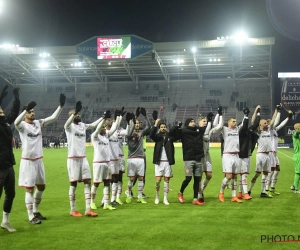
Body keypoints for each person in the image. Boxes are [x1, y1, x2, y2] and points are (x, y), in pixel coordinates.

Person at [15, 93, 66, 224]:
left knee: (41, 187)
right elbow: (15, 122)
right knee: (29, 189)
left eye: (33, 111)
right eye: (30, 112)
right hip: (28, 161)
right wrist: (25, 110)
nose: (32, 113)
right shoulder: (22, 126)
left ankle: (36, 211)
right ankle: (31, 216)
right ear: (25, 114)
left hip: (39, 160)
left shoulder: (38, 123)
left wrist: (61, 106)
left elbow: (53, 118)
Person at [64, 101, 105, 217]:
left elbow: (92, 125)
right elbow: (66, 124)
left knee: (87, 182)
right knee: (73, 184)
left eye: (78, 113)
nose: (78, 115)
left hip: (83, 158)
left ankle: (88, 209)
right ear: (72, 117)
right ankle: (73, 210)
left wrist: (103, 118)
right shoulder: (69, 127)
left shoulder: (82, 125)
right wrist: (74, 112)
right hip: (73, 159)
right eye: (75, 114)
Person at [173, 114, 213, 206]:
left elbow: (206, 129)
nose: (193, 123)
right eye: (191, 121)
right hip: (189, 159)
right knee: (188, 178)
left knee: (197, 180)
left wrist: (209, 121)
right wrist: (176, 127)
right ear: (187, 124)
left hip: (198, 158)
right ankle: (180, 192)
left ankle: (195, 199)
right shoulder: (183, 131)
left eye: (193, 121)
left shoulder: (198, 131)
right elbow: (173, 136)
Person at [90, 110, 121, 210]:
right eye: (102, 127)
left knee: (107, 183)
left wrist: (118, 118)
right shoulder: (94, 136)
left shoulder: (106, 136)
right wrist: (103, 120)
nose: (104, 129)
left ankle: (107, 203)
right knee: (96, 183)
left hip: (107, 163)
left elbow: (115, 127)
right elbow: (98, 128)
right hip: (98, 163)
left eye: (104, 127)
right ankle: (91, 202)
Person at [0, 86, 20, 232]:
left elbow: (13, 114)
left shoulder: (5, 123)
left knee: (11, 193)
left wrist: (16, 99)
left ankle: (5, 221)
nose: (2, 113)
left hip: (8, 165)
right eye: (0, 111)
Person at [247, 107, 278, 198]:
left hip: (268, 155)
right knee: (257, 174)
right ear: (260, 124)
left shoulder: (269, 130)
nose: (267, 124)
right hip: (260, 155)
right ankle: (249, 190)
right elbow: (253, 121)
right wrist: (256, 111)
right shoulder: (258, 132)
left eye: (266, 123)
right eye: (265, 123)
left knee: (265, 174)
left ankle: (263, 192)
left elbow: (273, 120)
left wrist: (276, 110)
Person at [149, 113, 179, 205]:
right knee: (158, 181)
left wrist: (178, 127)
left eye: (164, 127)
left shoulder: (170, 137)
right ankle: (157, 196)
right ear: (159, 128)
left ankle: (165, 198)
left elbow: (177, 136)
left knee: (167, 181)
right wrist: (155, 124)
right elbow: (151, 135)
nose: (163, 128)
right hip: (159, 163)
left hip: (167, 162)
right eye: (161, 127)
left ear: (166, 128)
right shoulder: (157, 137)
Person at [218, 113, 248, 203]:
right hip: (227, 155)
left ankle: (234, 196)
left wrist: (246, 115)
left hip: (236, 155)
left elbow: (243, 123)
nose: (235, 123)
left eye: (235, 121)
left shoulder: (237, 129)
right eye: (233, 121)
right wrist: (220, 115)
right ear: (228, 123)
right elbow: (219, 125)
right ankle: (221, 192)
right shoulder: (224, 129)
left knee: (235, 176)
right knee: (229, 176)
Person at [125, 108, 151, 204]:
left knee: (140, 178)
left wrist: (146, 117)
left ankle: (140, 196)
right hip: (132, 158)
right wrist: (134, 119)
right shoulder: (129, 134)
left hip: (140, 158)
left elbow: (149, 127)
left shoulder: (141, 133)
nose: (137, 125)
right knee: (131, 178)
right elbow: (129, 132)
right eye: (135, 124)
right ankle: (128, 194)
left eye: (138, 124)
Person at [197, 106, 223, 203]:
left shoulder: (209, 130)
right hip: (200, 156)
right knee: (199, 176)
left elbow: (219, 127)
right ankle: (199, 194)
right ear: (199, 123)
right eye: (203, 121)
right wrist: (209, 121)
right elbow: (206, 131)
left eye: (205, 121)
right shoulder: (198, 131)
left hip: (207, 155)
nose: (205, 122)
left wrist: (219, 114)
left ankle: (201, 191)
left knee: (209, 175)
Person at [265, 104, 291, 196]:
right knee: (271, 171)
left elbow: (281, 124)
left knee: (277, 170)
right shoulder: (269, 130)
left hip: (275, 154)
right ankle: (266, 189)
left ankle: (272, 188)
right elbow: (276, 121)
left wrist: (288, 117)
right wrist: (278, 112)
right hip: (271, 152)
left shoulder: (275, 130)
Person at [237, 106, 260, 200]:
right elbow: (245, 125)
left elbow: (256, 124)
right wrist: (246, 116)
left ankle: (239, 193)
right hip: (241, 155)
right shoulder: (241, 133)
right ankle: (246, 193)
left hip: (247, 155)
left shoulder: (248, 131)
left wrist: (258, 112)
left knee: (243, 174)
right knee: (244, 174)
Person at [292, 123, 300, 193]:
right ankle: (296, 189)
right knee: (298, 173)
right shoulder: (295, 134)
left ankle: (294, 185)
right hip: (298, 156)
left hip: (298, 155)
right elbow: (297, 133)